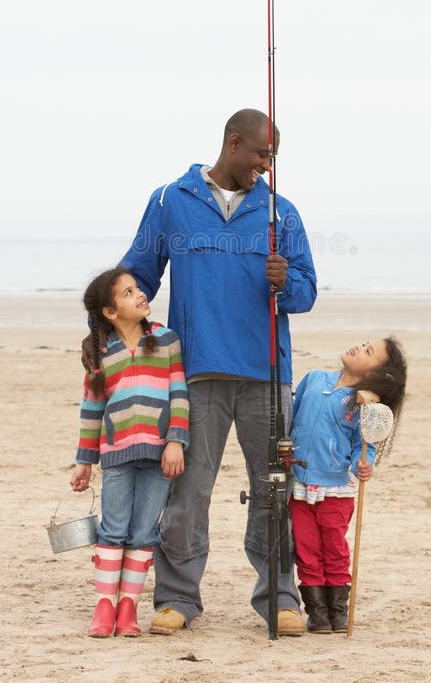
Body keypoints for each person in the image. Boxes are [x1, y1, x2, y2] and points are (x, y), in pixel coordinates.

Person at [94, 108, 317, 636]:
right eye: (263, 154)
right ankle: (176, 598)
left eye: (273, 157)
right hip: (192, 373)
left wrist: (286, 282)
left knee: (274, 489)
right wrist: (101, 335)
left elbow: (306, 295)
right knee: (188, 490)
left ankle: (280, 598)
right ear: (234, 143)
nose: (268, 165)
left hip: (268, 374)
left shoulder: (280, 213)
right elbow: (136, 277)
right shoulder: (171, 201)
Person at [71, 267, 189, 638]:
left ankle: (129, 607)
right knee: (113, 529)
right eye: (127, 293)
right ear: (109, 311)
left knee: (143, 532)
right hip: (117, 454)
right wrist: (84, 460)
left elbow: (179, 393)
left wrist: (175, 441)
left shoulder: (165, 339)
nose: (140, 294)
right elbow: (91, 410)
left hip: (159, 455)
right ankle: (104, 607)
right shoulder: (100, 352)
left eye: (137, 288)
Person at [289, 337, 406, 633]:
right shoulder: (315, 378)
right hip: (301, 484)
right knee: (306, 549)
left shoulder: (364, 401)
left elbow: (362, 445)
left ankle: (337, 611)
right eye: (364, 343)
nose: (359, 347)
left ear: (378, 373)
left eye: (369, 352)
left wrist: (362, 464)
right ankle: (317, 612)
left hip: (335, 491)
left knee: (334, 548)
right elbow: (290, 417)